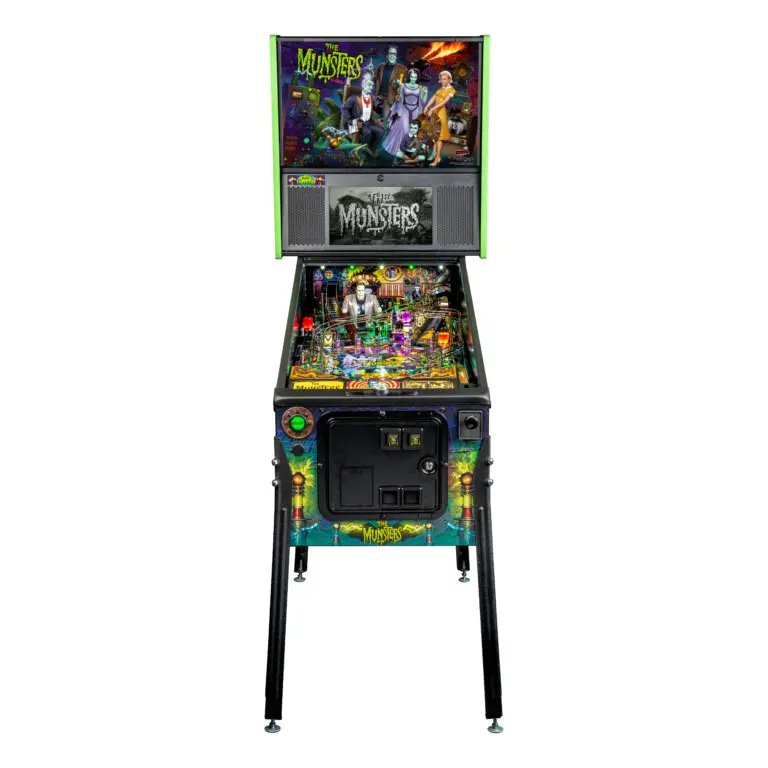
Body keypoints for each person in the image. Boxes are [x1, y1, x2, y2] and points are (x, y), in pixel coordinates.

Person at [383, 68, 427, 157]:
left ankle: (411, 150)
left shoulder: (420, 87)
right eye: (412, 77)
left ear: (417, 78)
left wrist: (425, 93)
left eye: (415, 77)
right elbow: (399, 99)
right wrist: (398, 95)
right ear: (409, 76)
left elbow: (422, 101)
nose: (413, 79)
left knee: (414, 131)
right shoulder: (403, 85)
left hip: (415, 110)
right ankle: (400, 149)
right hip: (404, 109)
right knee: (405, 129)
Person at [341, 72, 384, 154]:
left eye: (372, 86)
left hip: (368, 123)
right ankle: (361, 152)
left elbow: (377, 110)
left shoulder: (372, 98)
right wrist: (350, 120)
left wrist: (380, 105)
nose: (371, 87)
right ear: (363, 85)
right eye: (369, 85)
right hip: (358, 123)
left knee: (381, 131)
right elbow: (344, 109)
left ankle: (372, 150)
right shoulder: (354, 98)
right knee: (368, 133)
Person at [424, 70, 456, 166]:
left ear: (449, 80)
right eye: (441, 79)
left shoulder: (451, 90)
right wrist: (427, 106)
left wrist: (432, 108)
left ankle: (438, 157)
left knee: (439, 137)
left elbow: (443, 102)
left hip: (441, 114)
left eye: (444, 79)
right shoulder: (440, 89)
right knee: (434, 135)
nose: (442, 81)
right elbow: (433, 98)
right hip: (435, 114)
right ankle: (434, 153)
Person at [374, 46, 407, 117]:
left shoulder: (402, 69)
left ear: (396, 56)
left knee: (386, 120)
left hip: (390, 101)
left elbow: (404, 87)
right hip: (378, 99)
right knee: (375, 118)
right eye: (390, 53)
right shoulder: (381, 67)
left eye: (394, 54)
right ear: (387, 56)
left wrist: (398, 85)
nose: (392, 56)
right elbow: (375, 79)